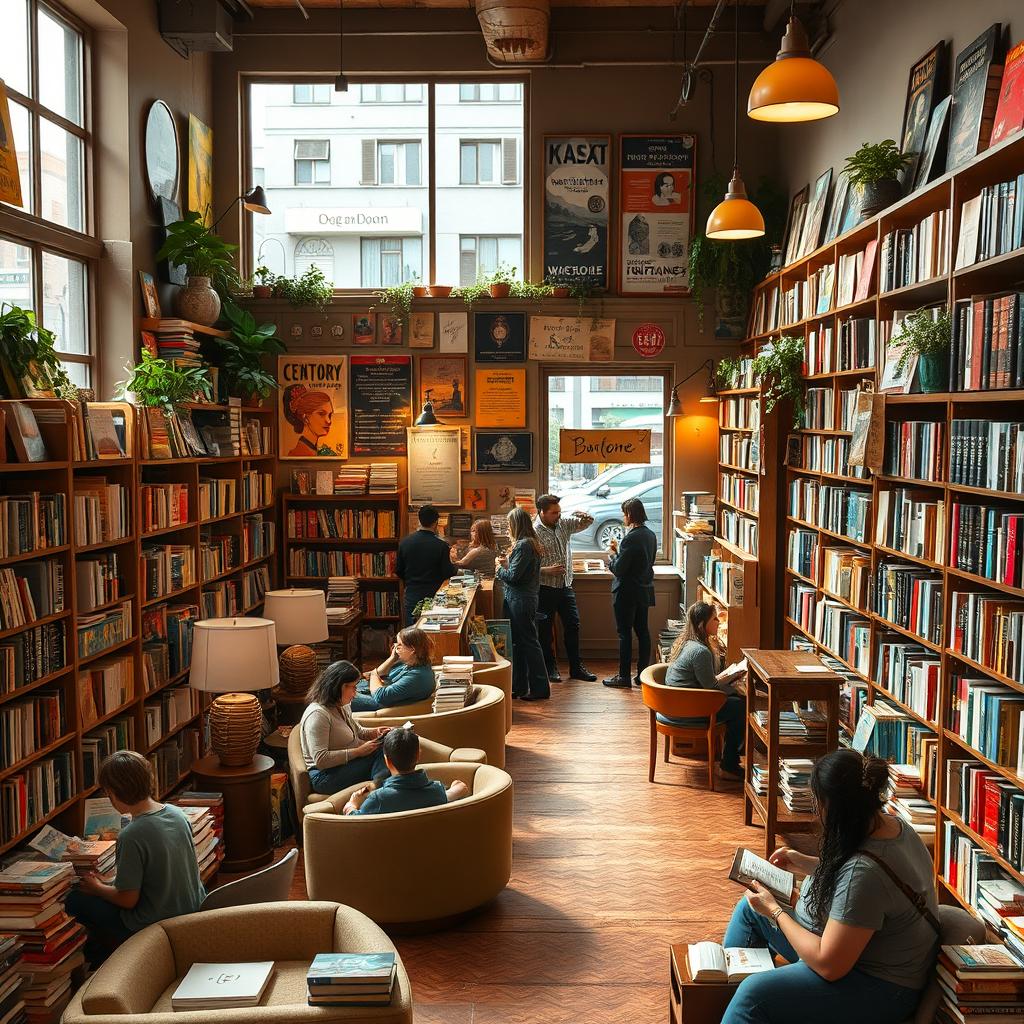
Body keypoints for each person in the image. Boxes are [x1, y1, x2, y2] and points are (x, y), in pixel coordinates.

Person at [721, 749, 939, 1024]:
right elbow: (864, 881)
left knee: (754, 994)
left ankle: (742, 1012)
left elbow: (828, 965)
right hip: (861, 957)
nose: (817, 811)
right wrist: (803, 862)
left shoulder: (865, 874)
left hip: (881, 987)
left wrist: (775, 910)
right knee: (750, 909)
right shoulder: (894, 827)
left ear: (835, 808)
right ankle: (729, 1008)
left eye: (818, 802)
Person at [65, 751, 205, 967]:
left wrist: (96, 887)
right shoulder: (177, 814)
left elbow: (127, 900)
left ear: (112, 793)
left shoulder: (132, 834)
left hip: (154, 924)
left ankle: (102, 960)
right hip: (192, 913)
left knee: (75, 899)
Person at [663, 602, 746, 779]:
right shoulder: (700, 652)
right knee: (740, 706)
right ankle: (729, 766)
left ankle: (730, 758)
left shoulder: (687, 643)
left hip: (674, 705)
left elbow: (706, 682)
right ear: (702, 625)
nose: (719, 622)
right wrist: (733, 680)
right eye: (714, 619)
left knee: (735, 701)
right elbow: (711, 688)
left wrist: (728, 678)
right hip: (687, 710)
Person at [299, 660, 392, 794]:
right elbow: (321, 760)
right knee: (382, 752)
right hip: (324, 776)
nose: (355, 693)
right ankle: (380, 793)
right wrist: (358, 752)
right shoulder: (318, 714)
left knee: (388, 743)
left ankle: (383, 789)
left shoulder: (342, 705)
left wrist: (376, 732)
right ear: (339, 687)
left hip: (344, 765)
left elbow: (358, 731)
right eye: (353, 687)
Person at [533, 494, 596, 683]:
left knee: (573, 625)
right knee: (544, 630)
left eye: (559, 512)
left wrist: (585, 516)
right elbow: (525, 567)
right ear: (542, 512)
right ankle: (550, 667)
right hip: (545, 587)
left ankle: (576, 668)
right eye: (553, 513)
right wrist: (546, 570)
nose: (558, 516)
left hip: (565, 586)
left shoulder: (563, 524)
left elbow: (588, 523)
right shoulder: (532, 532)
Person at [343, 728, 469, 815]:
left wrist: (352, 805)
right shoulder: (436, 791)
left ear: (387, 761)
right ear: (418, 756)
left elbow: (354, 821)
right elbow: (461, 787)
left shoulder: (377, 800)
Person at [603, 497, 658, 689]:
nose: (622, 517)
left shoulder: (631, 537)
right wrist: (619, 553)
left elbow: (619, 569)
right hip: (644, 590)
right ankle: (642, 674)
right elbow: (644, 562)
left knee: (624, 634)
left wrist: (612, 556)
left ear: (629, 515)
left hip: (626, 593)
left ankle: (623, 676)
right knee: (643, 632)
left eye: (623, 513)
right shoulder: (650, 535)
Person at [496, 507, 550, 701]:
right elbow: (520, 573)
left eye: (509, 524)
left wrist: (498, 569)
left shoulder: (523, 545)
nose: (508, 528)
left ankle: (540, 689)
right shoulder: (530, 543)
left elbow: (514, 577)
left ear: (515, 525)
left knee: (529, 643)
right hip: (523, 598)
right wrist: (506, 565)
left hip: (521, 599)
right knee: (519, 644)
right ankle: (519, 686)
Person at [396, 504, 456, 625]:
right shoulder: (441, 545)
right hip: (435, 594)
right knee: (433, 631)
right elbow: (447, 572)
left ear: (419, 520)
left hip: (412, 593)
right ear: (435, 522)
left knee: (412, 632)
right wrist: (455, 568)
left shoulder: (404, 543)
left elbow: (399, 570)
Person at [351, 627, 436, 712]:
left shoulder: (418, 676)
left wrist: (373, 674)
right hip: (368, 690)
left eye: (400, 644)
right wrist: (392, 658)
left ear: (412, 650)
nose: (395, 647)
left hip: (378, 702)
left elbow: (380, 696)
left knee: (339, 695)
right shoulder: (411, 662)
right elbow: (380, 673)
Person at [282, 384, 337, 457]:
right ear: (305, 418)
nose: (329, 421)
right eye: (321, 414)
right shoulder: (301, 452)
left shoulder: (313, 449)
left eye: (329, 415)